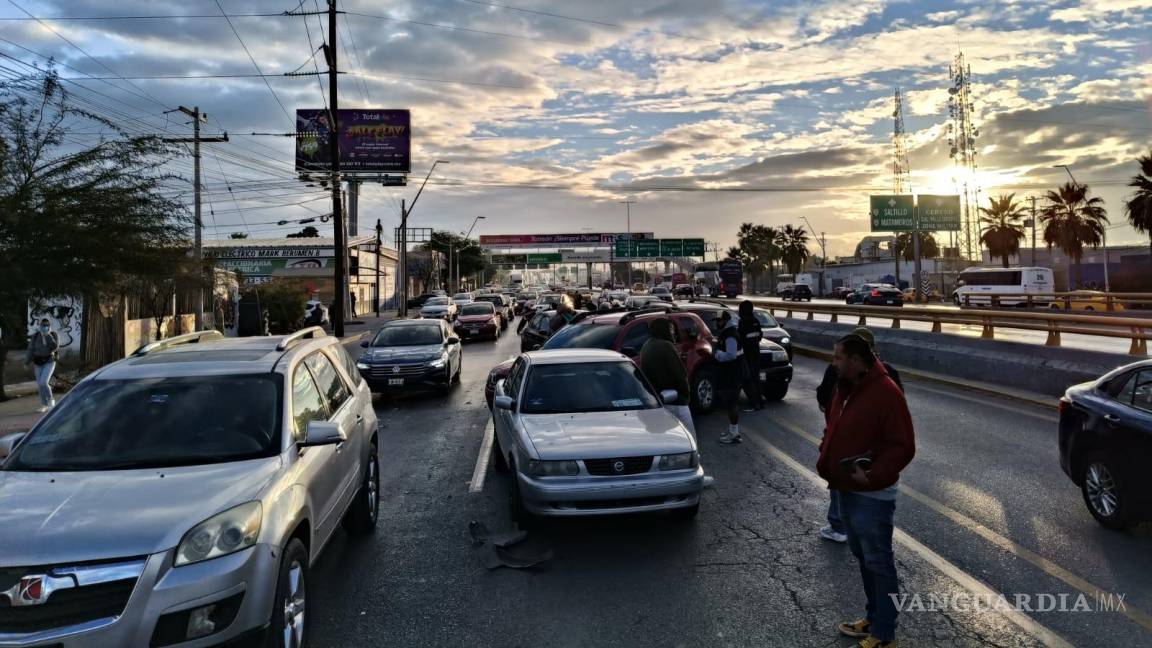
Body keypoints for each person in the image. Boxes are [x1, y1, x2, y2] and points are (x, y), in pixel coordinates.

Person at [818, 334, 915, 648]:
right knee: (864, 558)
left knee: (878, 561)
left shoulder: (886, 393)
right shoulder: (845, 388)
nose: (833, 363)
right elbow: (833, 425)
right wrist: (826, 449)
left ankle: (886, 634)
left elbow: (904, 446)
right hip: (847, 487)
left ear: (856, 361)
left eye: (838, 358)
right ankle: (873, 618)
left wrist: (871, 476)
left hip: (872, 494)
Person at [816, 327, 903, 544]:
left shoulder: (837, 372)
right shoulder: (889, 374)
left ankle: (838, 525)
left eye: (839, 357)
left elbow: (823, 397)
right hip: (872, 457)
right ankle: (846, 526)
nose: (836, 362)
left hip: (851, 451)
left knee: (875, 555)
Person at [640, 318, 715, 488]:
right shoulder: (666, 346)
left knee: (663, 444)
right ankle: (696, 477)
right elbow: (679, 374)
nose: (674, 333)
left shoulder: (647, 346)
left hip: (660, 400)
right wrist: (686, 393)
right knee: (690, 442)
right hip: (676, 400)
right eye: (671, 329)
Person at [713, 310, 744, 444]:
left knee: (731, 404)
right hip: (732, 374)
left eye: (719, 321)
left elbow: (731, 355)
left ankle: (734, 434)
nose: (717, 323)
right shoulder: (727, 333)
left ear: (725, 321)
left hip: (733, 375)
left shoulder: (730, 336)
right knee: (731, 404)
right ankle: (733, 431)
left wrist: (718, 354)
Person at [25, 319, 59, 413]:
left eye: (46, 325)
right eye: (43, 325)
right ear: (40, 326)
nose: (44, 327)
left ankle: (51, 400)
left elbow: (55, 347)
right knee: (40, 385)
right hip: (38, 363)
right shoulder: (36, 336)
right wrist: (26, 362)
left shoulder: (53, 334)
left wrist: (48, 336)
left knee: (44, 382)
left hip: (49, 361)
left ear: (49, 326)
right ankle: (44, 404)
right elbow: (30, 349)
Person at [737, 301, 764, 412]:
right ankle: (760, 402)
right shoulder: (756, 321)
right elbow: (759, 336)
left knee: (749, 380)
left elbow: (740, 338)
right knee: (756, 379)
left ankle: (755, 403)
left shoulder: (743, 322)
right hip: (756, 354)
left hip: (747, 355)